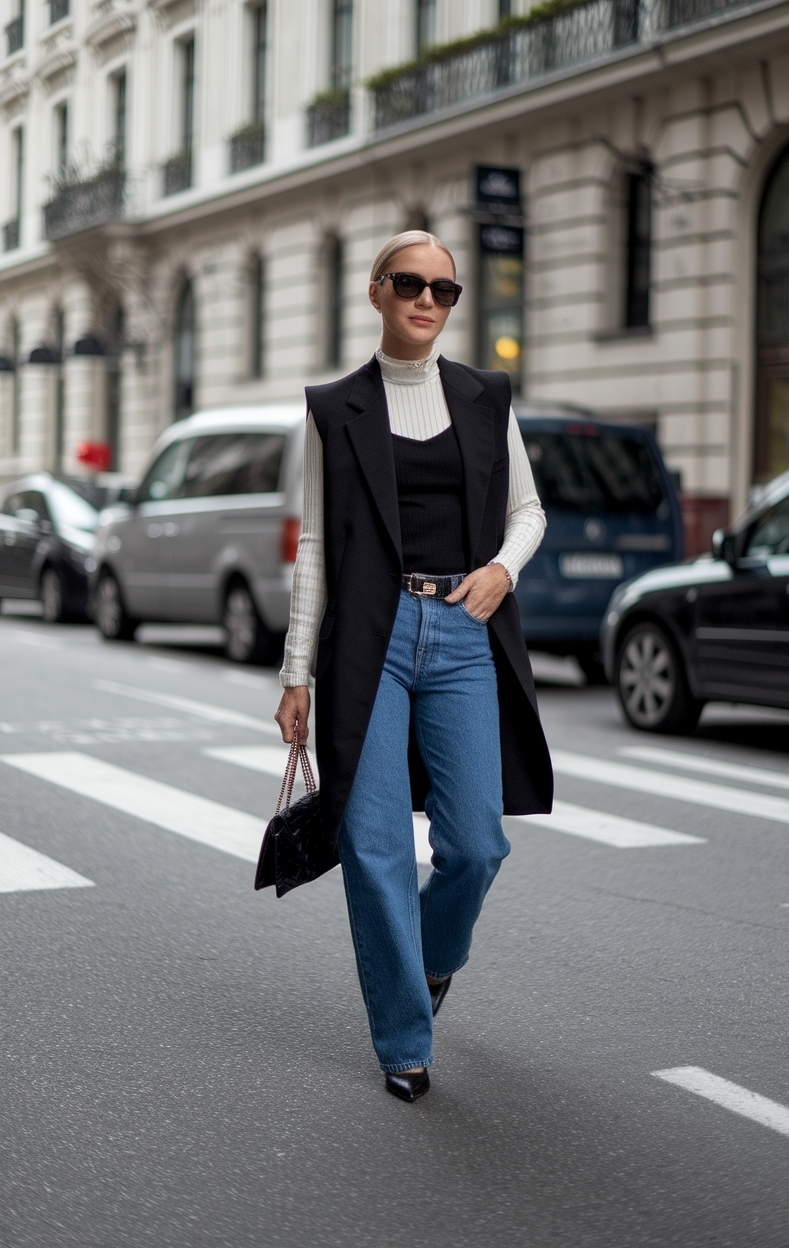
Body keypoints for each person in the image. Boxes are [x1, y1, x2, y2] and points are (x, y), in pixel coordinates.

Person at [275, 230, 553, 1103]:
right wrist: (296, 674)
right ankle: (404, 1038)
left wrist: (502, 568)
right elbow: (316, 541)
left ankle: (430, 963)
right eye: (410, 283)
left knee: (476, 843)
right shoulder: (334, 407)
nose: (427, 299)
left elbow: (528, 509)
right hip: (372, 637)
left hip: (465, 632)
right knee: (374, 841)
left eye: (444, 288)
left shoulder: (483, 396)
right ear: (376, 291)